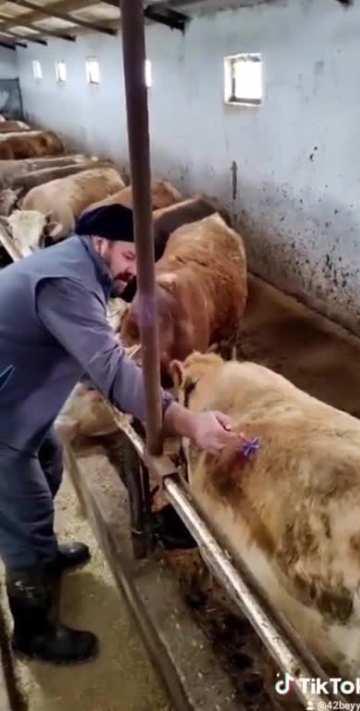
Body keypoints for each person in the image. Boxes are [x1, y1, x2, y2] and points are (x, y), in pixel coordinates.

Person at [0, 203, 243, 666]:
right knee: (23, 508)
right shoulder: (67, 283)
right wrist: (188, 421)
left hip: (17, 397)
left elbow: (88, 352)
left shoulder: (75, 268)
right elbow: (112, 370)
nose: (133, 272)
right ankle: (32, 631)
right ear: (101, 244)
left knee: (48, 459)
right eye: (130, 258)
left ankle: (46, 554)